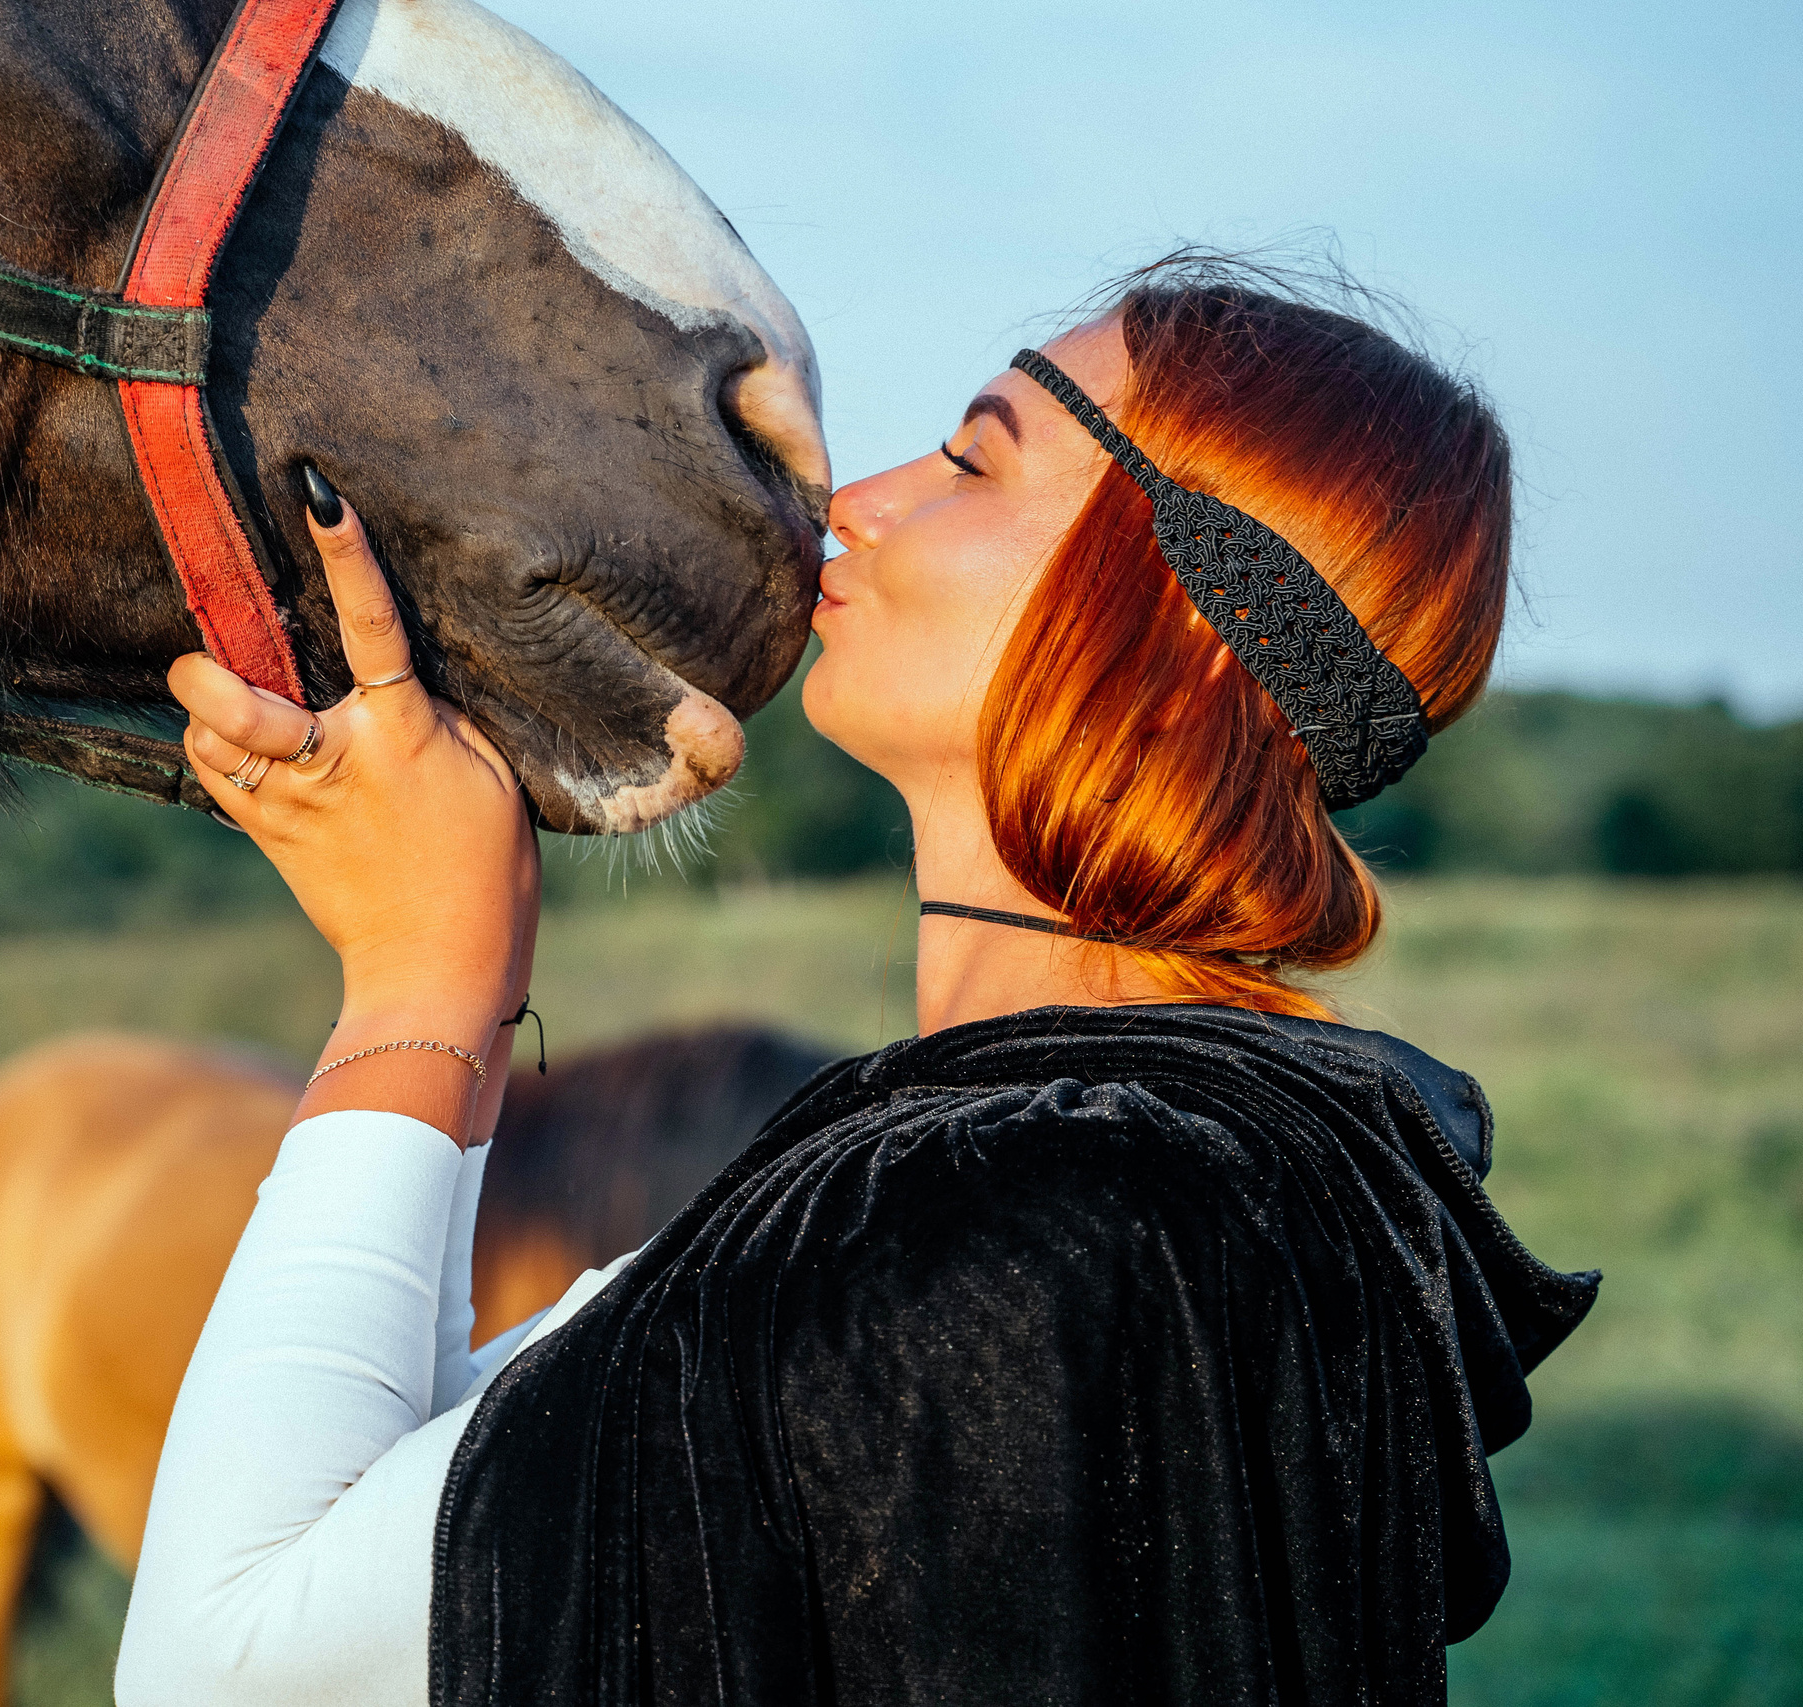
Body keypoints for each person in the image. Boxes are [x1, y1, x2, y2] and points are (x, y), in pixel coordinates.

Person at [110, 261, 1598, 1707]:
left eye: (970, 464)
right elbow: (459, 1531)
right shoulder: (1200, 1186)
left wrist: (415, 982)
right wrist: (467, 938)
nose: (861, 502)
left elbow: (228, 1671)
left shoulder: (1004, 1221)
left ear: (1181, 622)